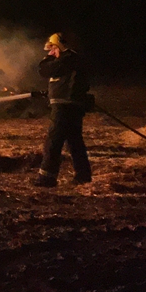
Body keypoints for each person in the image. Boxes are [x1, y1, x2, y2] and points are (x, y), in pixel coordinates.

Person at [32, 33, 92, 187]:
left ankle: (46, 178)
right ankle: (83, 175)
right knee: (74, 142)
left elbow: (43, 70)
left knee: (53, 141)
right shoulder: (68, 59)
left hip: (65, 106)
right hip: (68, 104)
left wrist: (48, 58)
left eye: (52, 48)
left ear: (59, 46)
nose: (51, 51)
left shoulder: (68, 59)